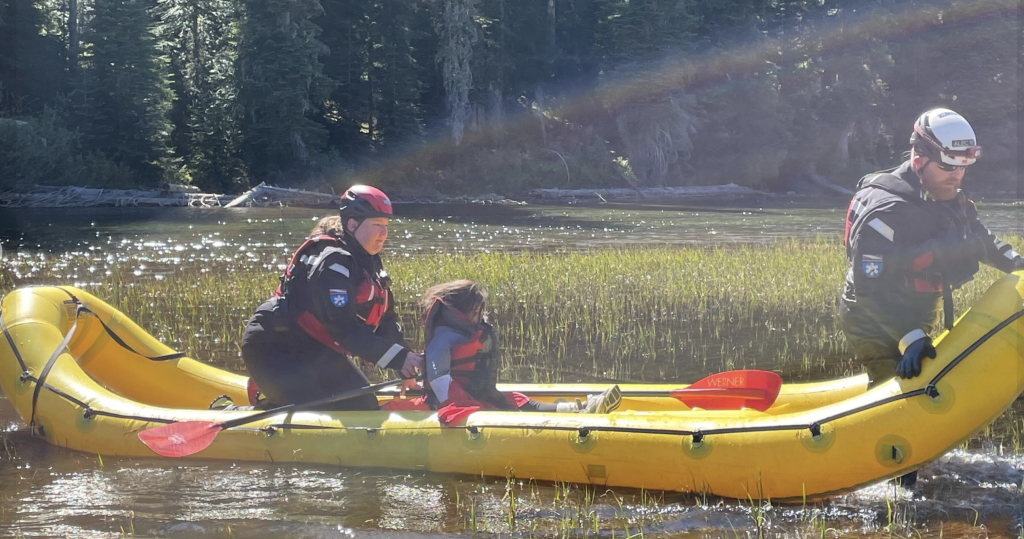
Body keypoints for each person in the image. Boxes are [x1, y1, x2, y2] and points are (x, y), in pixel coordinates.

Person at [840, 108, 1024, 388]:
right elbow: (869, 290)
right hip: (873, 317)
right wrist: (910, 337)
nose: (957, 175)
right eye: (948, 167)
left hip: (919, 307)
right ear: (918, 160)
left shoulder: (944, 193)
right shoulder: (886, 212)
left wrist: (1017, 264)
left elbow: (979, 239)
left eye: (962, 167)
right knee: (894, 389)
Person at [237, 185, 423, 411]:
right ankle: (235, 409)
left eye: (385, 225)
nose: (384, 233)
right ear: (352, 224)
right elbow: (343, 327)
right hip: (276, 346)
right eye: (376, 225)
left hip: (316, 348)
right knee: (315, 411)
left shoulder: (369, 261)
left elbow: (386, 321)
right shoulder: (332, 263)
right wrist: (398, 358)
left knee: (362, 406)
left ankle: (275, 393)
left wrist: (405, 366)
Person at [384, 279, 621, 423]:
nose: (480, 317)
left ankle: (580, 409)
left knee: (520, 401)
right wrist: (472, 407)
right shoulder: (443, 338)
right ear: (458, 311)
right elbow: (439, 381)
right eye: (476, 311)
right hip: (445, 405)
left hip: (474, 397)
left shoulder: (462, 333)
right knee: (387, 410)